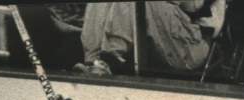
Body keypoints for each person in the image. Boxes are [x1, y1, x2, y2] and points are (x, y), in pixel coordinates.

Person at [75, 0, 226, 77]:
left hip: (193, 45)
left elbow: (193, 4)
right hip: (168, 36)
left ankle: (109, 61)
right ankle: (93, 62)